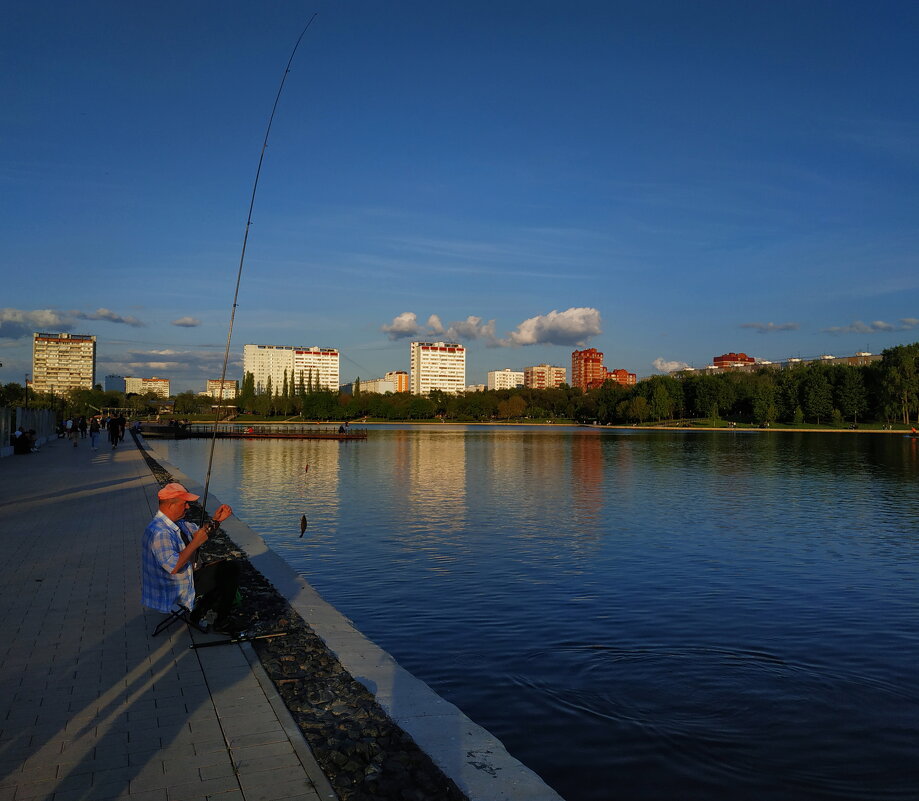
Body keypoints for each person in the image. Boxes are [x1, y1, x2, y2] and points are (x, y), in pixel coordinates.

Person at [141, 482, 240, 634]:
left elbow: (200, 533)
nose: (188, 507)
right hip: (172, 587)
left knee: (225, 567)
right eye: (185, 503)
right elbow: (173, 568)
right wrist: (194, 543)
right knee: (230, 571)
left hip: (185, 576)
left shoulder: (175, 523)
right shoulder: (160, 533)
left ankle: (200, 611)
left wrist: (217, 520)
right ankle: (220, 621)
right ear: (171, 505)